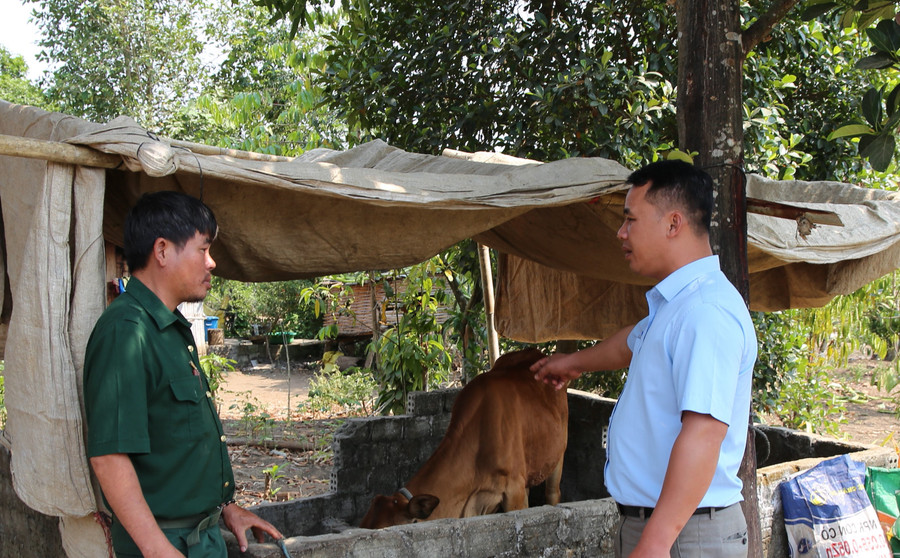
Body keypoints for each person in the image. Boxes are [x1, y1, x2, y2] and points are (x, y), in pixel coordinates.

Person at [532, 160, 756, 558]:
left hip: (683, 535)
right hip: (666, 527)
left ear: (673, 224)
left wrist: (654, 543)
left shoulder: (705, 312)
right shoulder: (677, 305)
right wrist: (573, 363)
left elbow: (704, 433)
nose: (621, 233)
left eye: (630, 220)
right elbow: (631, 343)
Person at [83, 191, 283, 557]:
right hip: (166, 542)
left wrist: (226, 508)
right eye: (203, 249)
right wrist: (157, 549)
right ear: (162, 251)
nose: (212, 262)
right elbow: (110, 457)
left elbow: (176, 444)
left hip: (200, 537)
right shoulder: (126, 331)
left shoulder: (170, 329)